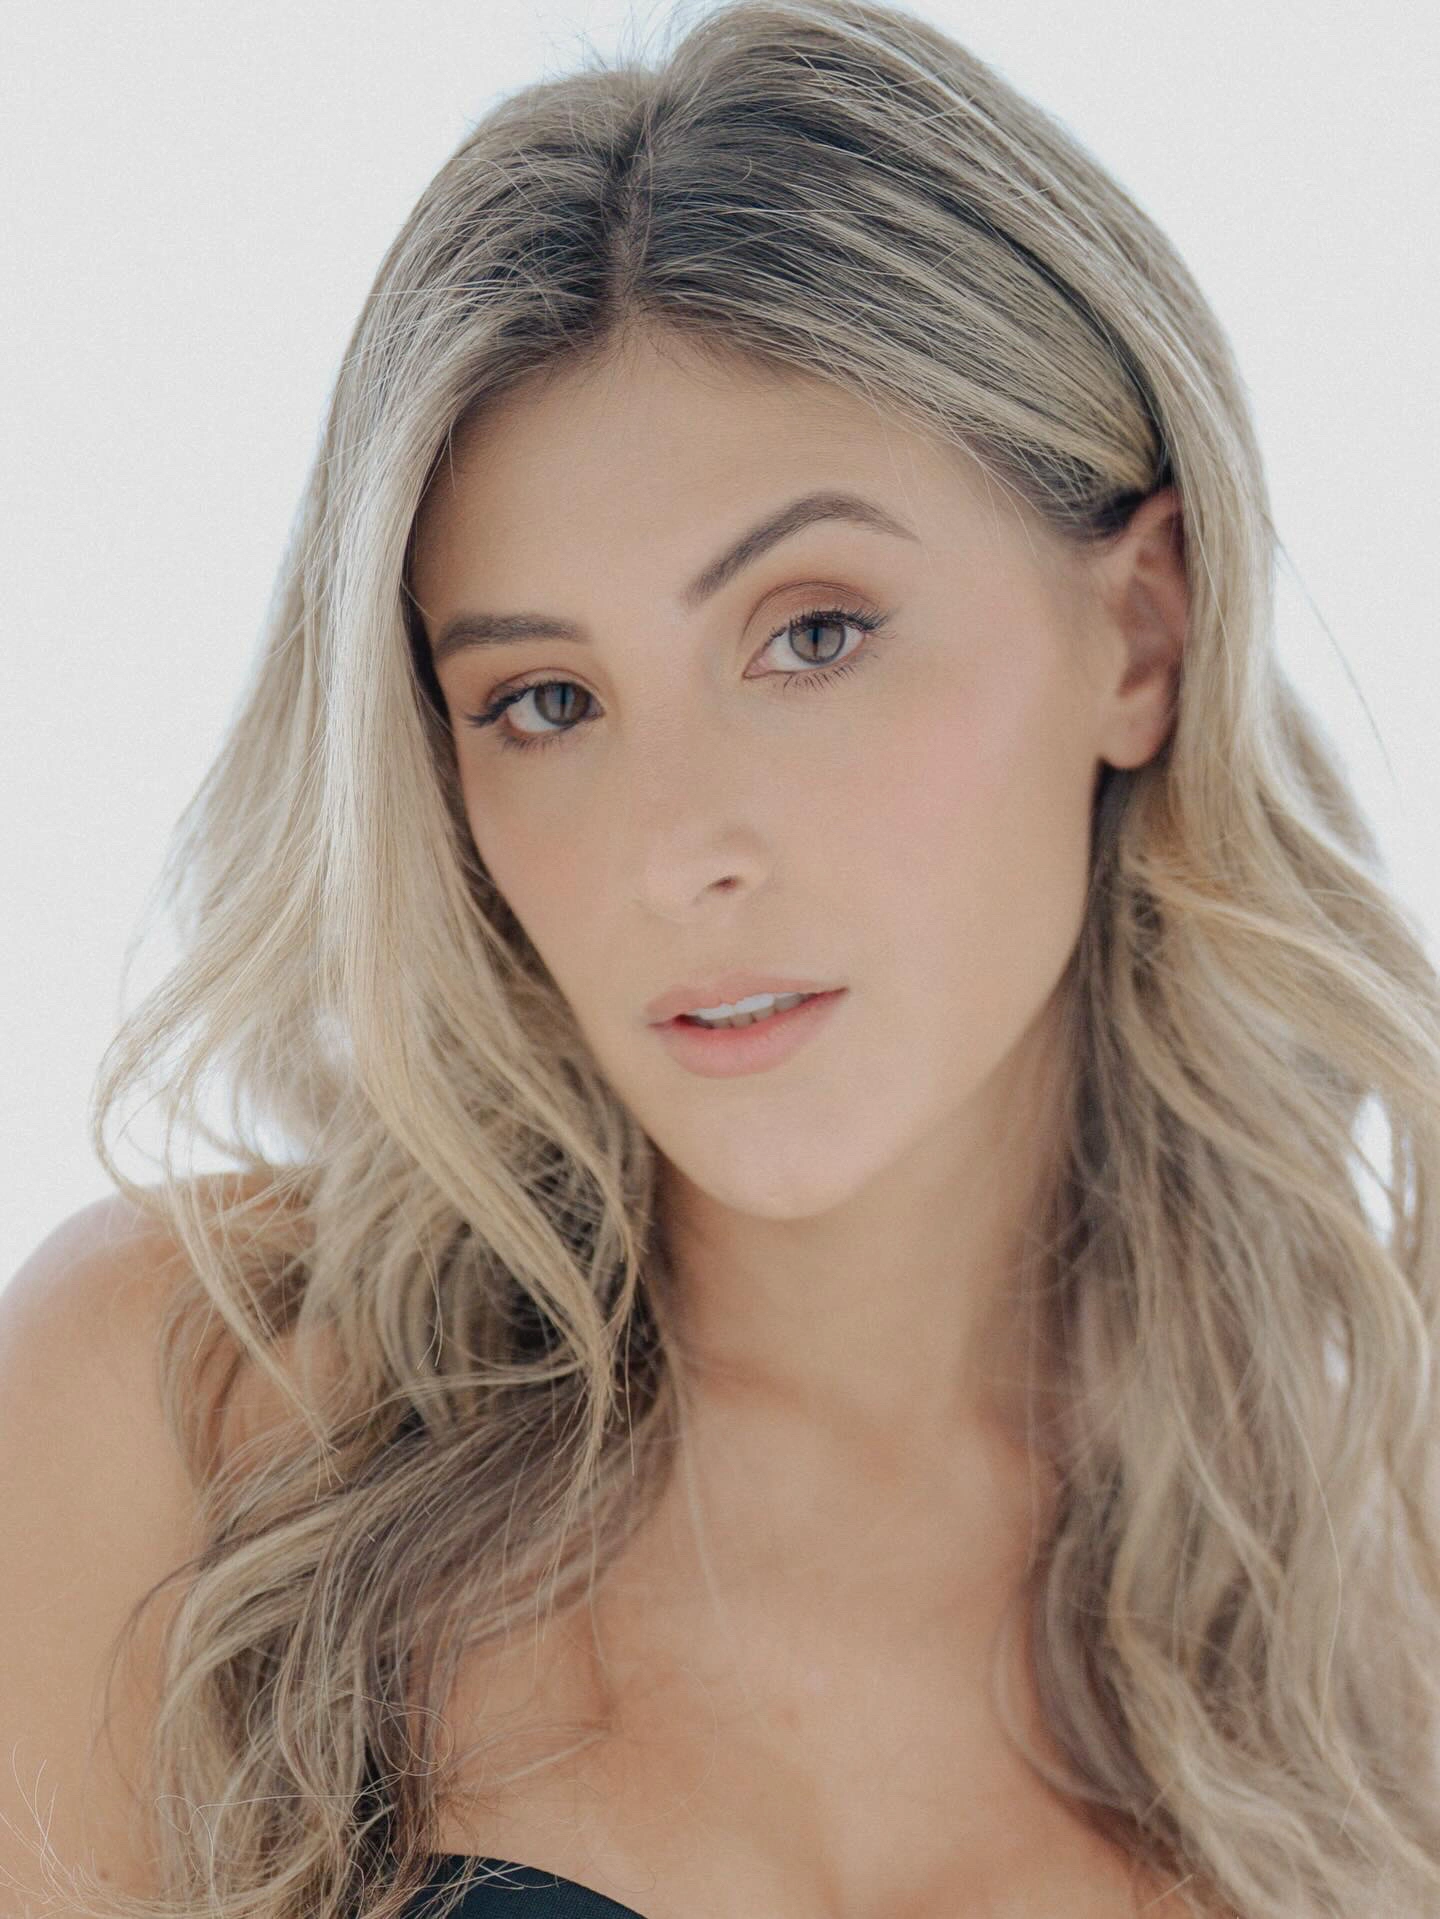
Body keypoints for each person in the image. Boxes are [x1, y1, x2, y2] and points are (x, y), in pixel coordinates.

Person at [4, 1, 1438, 1916]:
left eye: (813, 634)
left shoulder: (1383, 1619)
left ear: (1143, 633)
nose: (680, 850)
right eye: (544, 699)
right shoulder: (200, 1418)